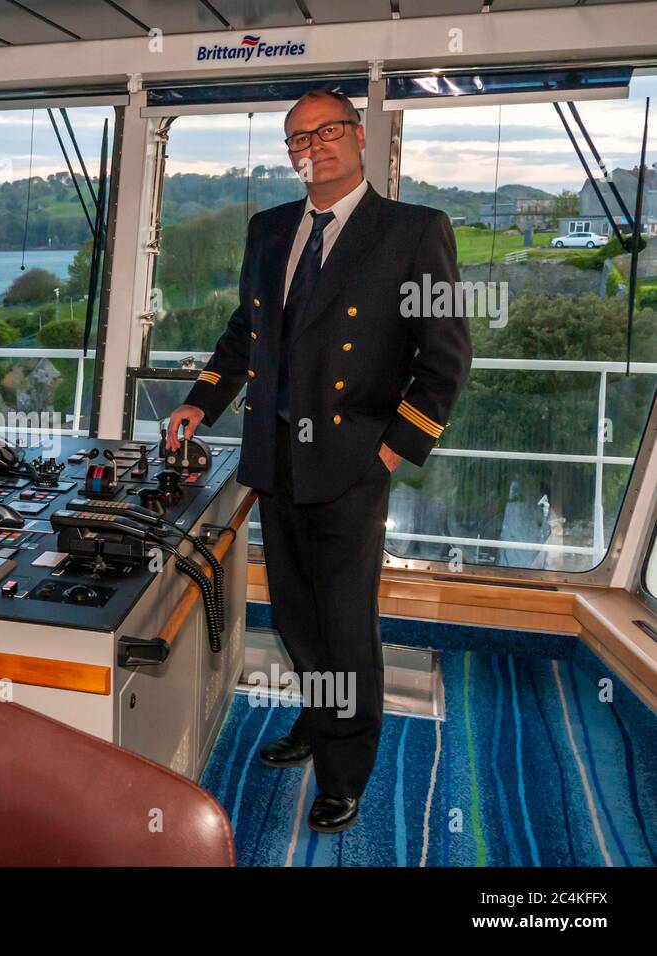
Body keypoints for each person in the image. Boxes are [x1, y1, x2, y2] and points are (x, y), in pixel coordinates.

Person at [165, 89, 472, 832]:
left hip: (351, 464)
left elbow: (446, 354)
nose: (316, 145)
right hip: (276, 458)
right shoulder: (269, 230)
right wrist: (200, 402)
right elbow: (247, 331)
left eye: (329, 130)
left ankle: (344, 768)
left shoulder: (412, 230)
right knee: (296, 614)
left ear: (358, 137)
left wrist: (397, 447)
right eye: (299, 137)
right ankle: (318, 713)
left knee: (343, 622)